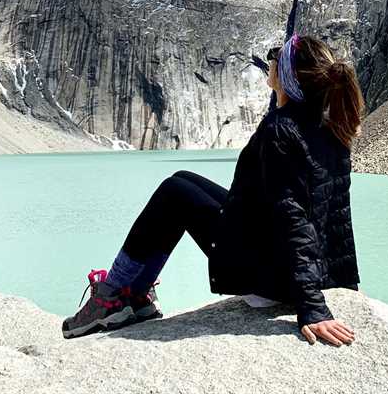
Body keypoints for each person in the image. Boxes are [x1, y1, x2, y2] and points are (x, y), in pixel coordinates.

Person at [62, 34, 362, 347]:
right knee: (181, 180)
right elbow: (338, 214)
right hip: (291, 264)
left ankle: (115, 295)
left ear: (287, 75)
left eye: (277, 56)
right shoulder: (332, 127)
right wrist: (346, 283)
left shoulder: (281, 128)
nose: (270, 61)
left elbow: (293, 216)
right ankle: (132, 295)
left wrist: (313, 308)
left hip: (273, 278)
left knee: (173, 193)